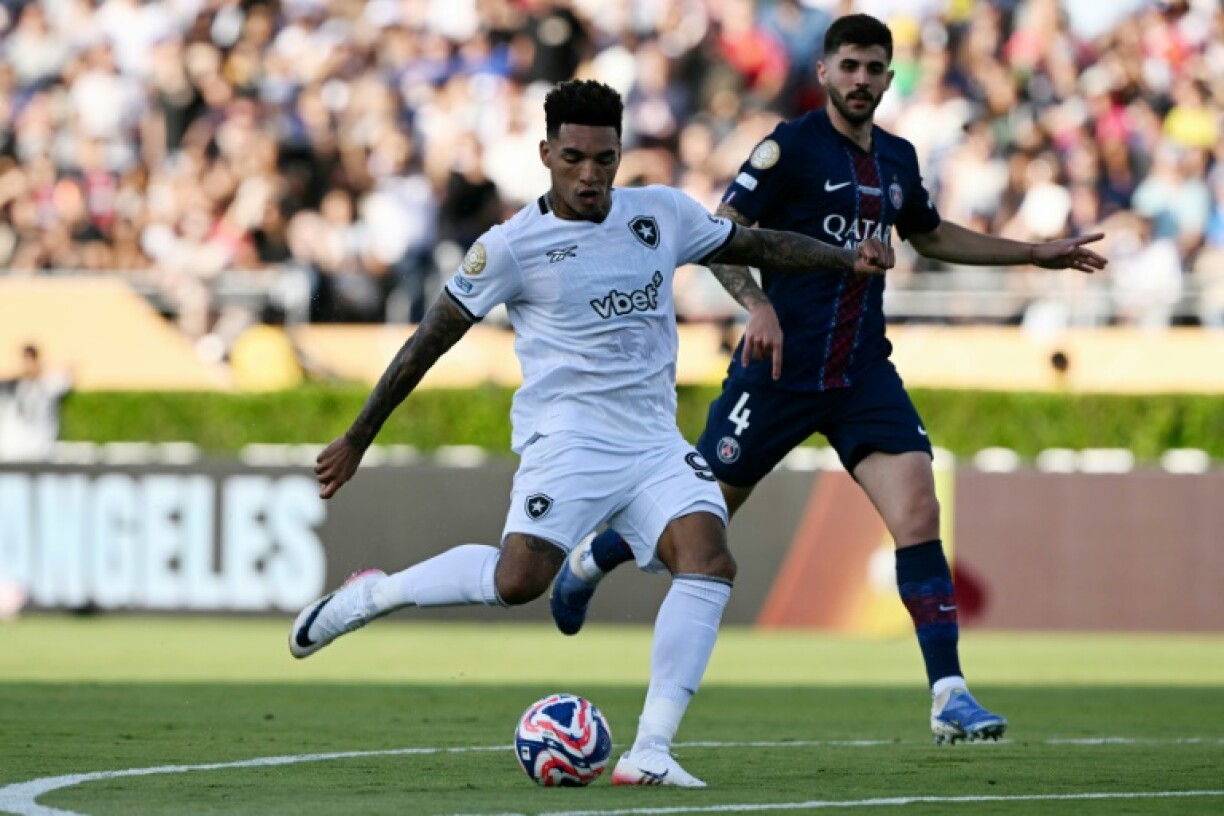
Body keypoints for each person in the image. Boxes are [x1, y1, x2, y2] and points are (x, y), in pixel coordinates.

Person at [291, 78, 894, 788]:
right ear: (546, 153)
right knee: (517, 583)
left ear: (619, 153)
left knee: (709, 559)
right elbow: (429, 341)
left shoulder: (660, 213)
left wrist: (844, 257)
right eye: (574, 157)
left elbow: (752, 240)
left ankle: (651, 752)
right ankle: (375, 595)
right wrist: (360, 436)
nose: (590, 175)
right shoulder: (511, 246)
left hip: (651, 442)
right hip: (568, 441)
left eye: (604, 159)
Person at [549, 15, 1109, 746]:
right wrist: (758, 306)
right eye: (849, 66)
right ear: (823, 71)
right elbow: (720, 235)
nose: (861, 81)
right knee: (692, 523)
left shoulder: (900, 161)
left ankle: (949, 694)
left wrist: (1034, 254)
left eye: (875, 69)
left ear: (888, 77)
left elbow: (932, 234)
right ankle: (597, 554)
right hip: (776, 373)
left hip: (860, 373)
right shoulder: (790, 149)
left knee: (917, 512)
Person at [0, 344, 73, 463]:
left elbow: (69, 371)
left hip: (38, 455)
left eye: (31, 361)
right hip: (10, 455)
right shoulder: (11, 385)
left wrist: (40, 371)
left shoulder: (46, 384)